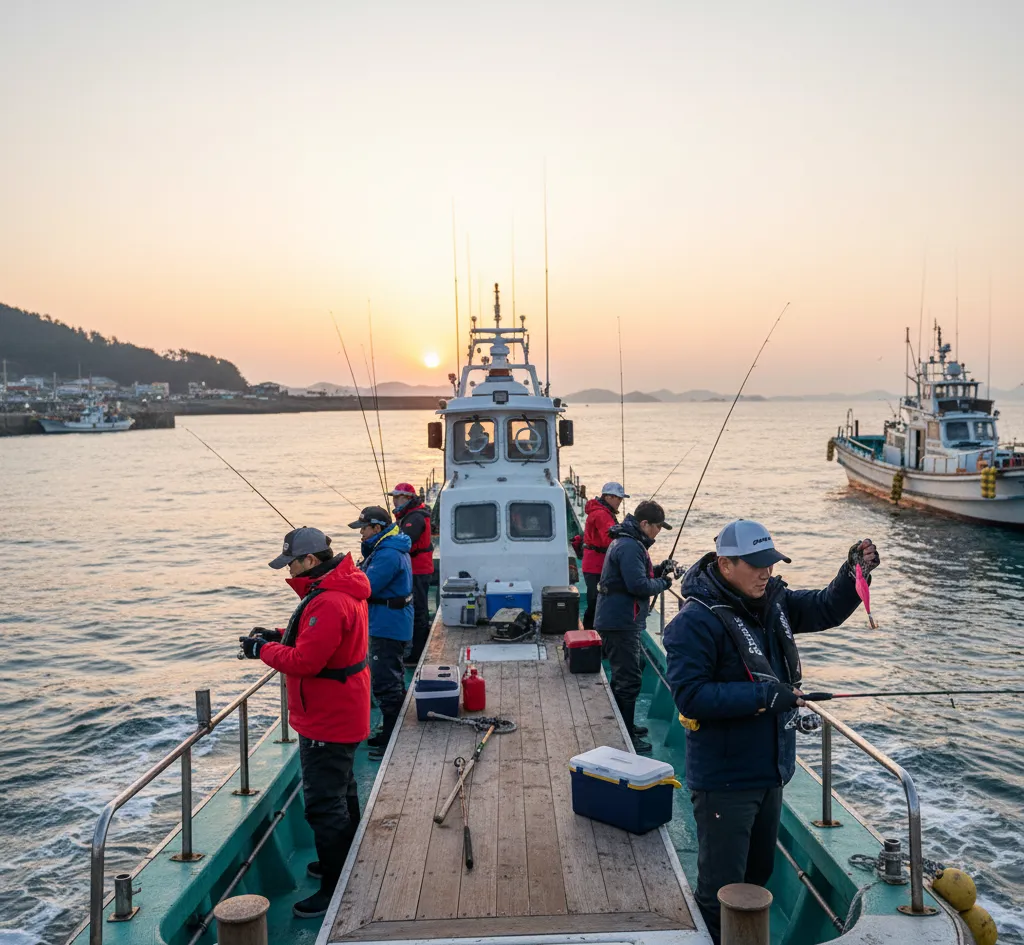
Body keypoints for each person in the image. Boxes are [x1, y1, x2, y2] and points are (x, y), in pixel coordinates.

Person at [663, 519, 879, 944]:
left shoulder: (773, 601)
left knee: (757, 878)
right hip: (725, 780)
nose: (766, 572)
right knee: (721, 890)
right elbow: (691, 697)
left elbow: (824, 608)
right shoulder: (694, 621)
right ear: (725, 564)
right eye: (757, 564)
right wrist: (764, 696)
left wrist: (855, 572)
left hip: (771, 772)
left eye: (771, 563)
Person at [239, 526, 371, 919]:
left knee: (323, 805)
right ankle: (344, 862)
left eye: (293, 564)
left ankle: (334, 888)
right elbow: (317, 640)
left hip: (327, 719)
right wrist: (277, 634)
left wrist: (262, 649)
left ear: (310, 561)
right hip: (342, 711)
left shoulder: (329, 601)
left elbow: (307, 661)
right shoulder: (341, 590)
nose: (291, 572)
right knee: (342, 790)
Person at [594, 499, 674, 753]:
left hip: (621, 619)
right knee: (628, 679)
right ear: (644, 524)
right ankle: (625, 733)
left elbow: (638, 576)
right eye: (657, 527)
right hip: (620, 622)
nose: (658, 532)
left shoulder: (630, 542)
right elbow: (638, 586)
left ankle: (625, 723)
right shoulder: (630, 546)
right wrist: (665, 583)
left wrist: (661, 570)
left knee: (634, 668)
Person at [349, 505, 413, 760]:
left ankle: (391, 738)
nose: (361, 533)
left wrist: (355, 574)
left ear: (376, 528)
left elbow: (368, 587)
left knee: (386, 682)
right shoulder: (387, 548)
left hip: (387, 625)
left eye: (363, 528)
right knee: (392, 677)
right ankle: (391, 731)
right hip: (391, 621)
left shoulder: (387, 554)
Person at [389, 483, 434, 666]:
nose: (394, 501)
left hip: (418, 570)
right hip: (414, 569)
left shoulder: (414, 518)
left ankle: (417, 653)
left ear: (407, 498)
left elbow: (405, 540)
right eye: (393, 497)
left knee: (419, 611)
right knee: (416, 609)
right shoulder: (410, 514)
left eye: (397, 497)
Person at [581, 482, 628, 629]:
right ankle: (591, 632)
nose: (620, 502)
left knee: (594, 600)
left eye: (621, 499)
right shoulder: (602, 515)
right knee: (596, 601)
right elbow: (609, 540)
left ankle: (590, 631)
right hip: (597, 565)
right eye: (618, 498)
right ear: (608, 497)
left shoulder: (601, 512)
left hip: (593, 563)